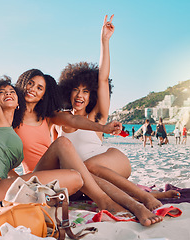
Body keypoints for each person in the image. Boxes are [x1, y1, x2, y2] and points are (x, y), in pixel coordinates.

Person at [0, 24, 83, 219]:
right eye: (2, 92)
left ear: (19, 101)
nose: (8, 93)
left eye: (12, 91)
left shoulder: (12, 129)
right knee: (75, 178)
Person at [53, 15, 178, 222]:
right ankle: (147, 195)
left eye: (85, 91)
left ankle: (142, 199)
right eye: (75, 89)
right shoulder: (60, 119)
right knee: (82, 172)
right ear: (67, 91)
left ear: (91, 94)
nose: (79, 95)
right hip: (85, 181)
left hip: (111, 162)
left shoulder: (97, 117)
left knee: (88, 168)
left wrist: (104, 41)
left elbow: (102, 78)